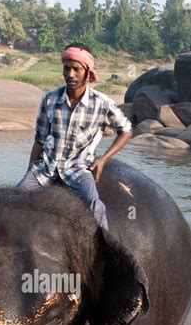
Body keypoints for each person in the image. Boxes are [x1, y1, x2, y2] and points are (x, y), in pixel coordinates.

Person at [16, 42, 132, 230]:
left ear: (88, 72)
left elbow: (126, 130)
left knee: (94, 206)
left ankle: (105, 252)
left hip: (77, 170)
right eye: (67, 68)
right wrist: (30, 171)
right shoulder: (49, 99)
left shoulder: (101, 103)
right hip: (46, 168)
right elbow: (40, 139)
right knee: (15, 200)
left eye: (77, 69)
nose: (70, 74)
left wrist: (103, 159)